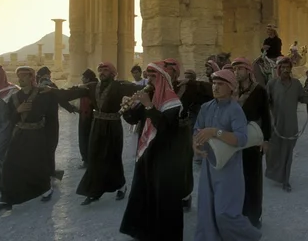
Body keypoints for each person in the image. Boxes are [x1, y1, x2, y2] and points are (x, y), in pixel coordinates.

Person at [49, 62, 140, 205]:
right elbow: (71, 93)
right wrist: (51, 91)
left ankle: (121, 186)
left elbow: (140, 90)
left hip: (113, 126)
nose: (102, 72)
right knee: (95, 157)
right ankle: (94, 191)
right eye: (100, 70)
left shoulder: (120, 86)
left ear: (113, 73)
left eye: (106, 70)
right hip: (96, 125)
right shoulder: (91, 87)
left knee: (113, 157)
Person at [119, 62, 189, 240]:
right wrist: (127, 108)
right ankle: (143, 230)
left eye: (153, 77)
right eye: (148, 76)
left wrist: (149, 106)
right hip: (148, 153)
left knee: (163, 195)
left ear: (162, 79)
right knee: (144, 189)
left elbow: (165, 126)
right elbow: (134, 119)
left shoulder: (172, 101)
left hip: (166, 155)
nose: (149, 81)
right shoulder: (148, 95)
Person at [193, 69, 262, 241]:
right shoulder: (206, 107)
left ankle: (250, 236)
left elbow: (241, 139)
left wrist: (215, 132)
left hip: (229, 168)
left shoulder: (235, 110)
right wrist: (195, 145)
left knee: (225, 213)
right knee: (206, 209)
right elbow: (196, 130)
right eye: (214, 83)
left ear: (231, 87)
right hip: (209, 166)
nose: (215, 87)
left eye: (220, 84)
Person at [0, 67, 58, 212]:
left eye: (24, 76)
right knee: (9, 165)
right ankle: (6, 199)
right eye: (19, 76)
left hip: (38, 134)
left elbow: (51, 118)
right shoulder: (15, 97)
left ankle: (46, 189)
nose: (21, 79)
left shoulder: (43, 94)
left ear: (32, 77)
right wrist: (18, 111)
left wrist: (51, 139)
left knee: (38, 165)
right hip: (20, 134)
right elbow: (10, 118)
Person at [160, 58, 213, 212]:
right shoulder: (159, 87)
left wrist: (192, 83)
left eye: (169, 69)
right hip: (164, 132)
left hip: (182, 132)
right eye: (165, 68)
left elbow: (210, 91)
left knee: (182, 165)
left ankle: (185, 196)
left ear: (176, 72)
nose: (166, 71)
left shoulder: (187, 86)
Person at [232, 57, 271, 229]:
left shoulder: (259, 91)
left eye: (239, 68)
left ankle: (254, 217)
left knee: (253, 180)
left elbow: (266, 117)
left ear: (248, 71)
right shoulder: (232, 91)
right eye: (234, 69)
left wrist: (266, 139)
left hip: (253, 139)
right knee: (236, 179)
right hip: (234, 140)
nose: (236, 72)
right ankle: (238, 213)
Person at [265, 57, 308, 192]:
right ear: (279, 69)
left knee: (287, 153)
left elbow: (303, 98)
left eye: (288, 68)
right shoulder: (272, 84)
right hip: (275, 124)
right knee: (273, 151)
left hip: (290, 125)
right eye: (283, 68)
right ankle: (274, 174)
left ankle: (285, 180)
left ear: (291, 69)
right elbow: (266, 101)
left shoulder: (296, 84)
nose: (285, 70)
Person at [36, 66, 77, 181]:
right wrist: (71, 108)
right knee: (50, 145)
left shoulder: (36, 86)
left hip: (40, 120)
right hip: (51, 120)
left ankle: (47, 171)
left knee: (44, 146)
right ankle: (49, 171)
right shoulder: (51, 85)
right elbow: (61, 98)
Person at [76, 69, 98, 168]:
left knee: (85, 139)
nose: (82, 79)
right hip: (90, 117)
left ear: (87, 78)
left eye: (83, 77)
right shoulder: (96, 86)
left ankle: (87, 161)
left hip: (88, 117)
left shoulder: (89, 87)